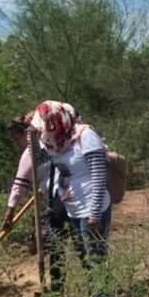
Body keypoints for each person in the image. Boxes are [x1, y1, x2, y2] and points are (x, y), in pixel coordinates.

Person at [30, 101, 111, 276]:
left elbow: (99, 174)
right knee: (87, 261)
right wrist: (32, 135)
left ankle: (103, 295)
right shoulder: (58, 142)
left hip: (91, 208)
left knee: (95, 261)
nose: (44, 131)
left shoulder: (86, 136)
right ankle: (98, 293)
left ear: (56, 121)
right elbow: (38, 158)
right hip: (73, 208)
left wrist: (95, 213)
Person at [3, 113, 69, 297]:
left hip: (59, 200)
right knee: (80, 246)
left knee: (56, 247)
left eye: (17, 139)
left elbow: (20, 185)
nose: (17, 143)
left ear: (26, 135)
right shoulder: (53, 142)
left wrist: (9, 213)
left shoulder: (31, 152)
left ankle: (57, 294)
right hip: (74, 195)